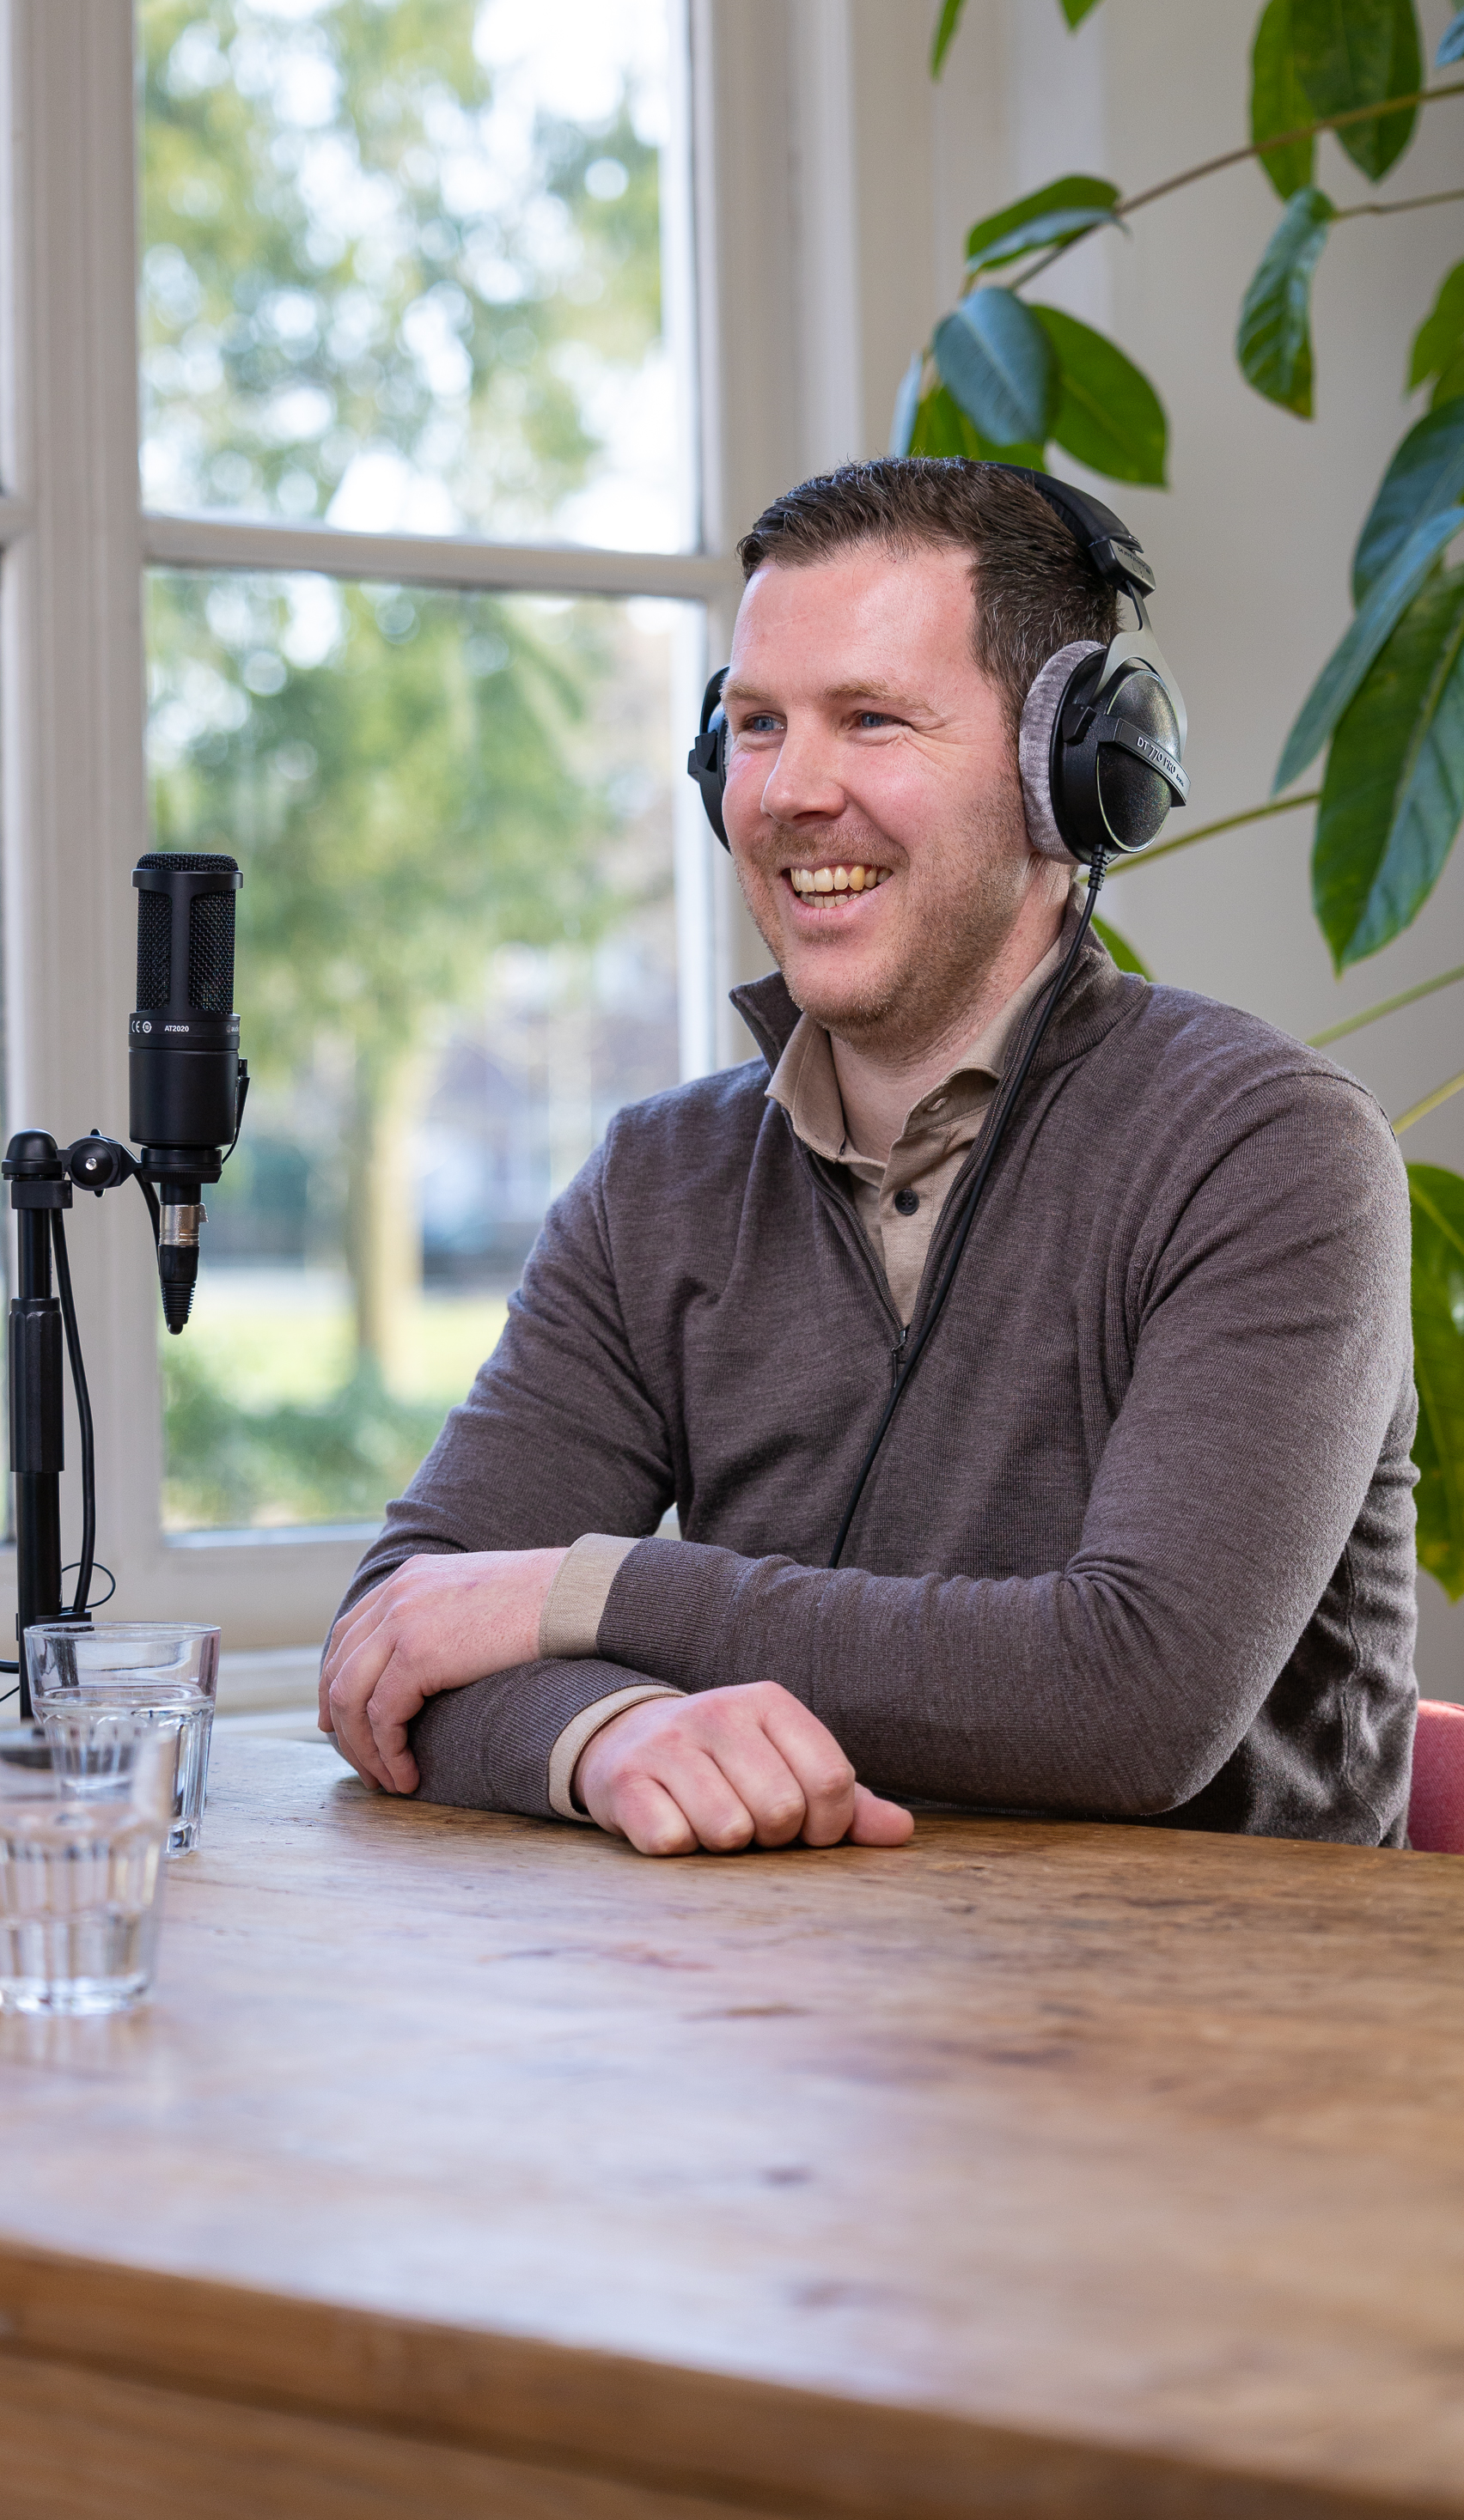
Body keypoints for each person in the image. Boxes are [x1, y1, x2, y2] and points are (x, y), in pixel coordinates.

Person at [319, 457, 1418, 1857]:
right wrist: (608, 1735)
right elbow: (397, 1640)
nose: (790, 791)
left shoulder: (1268, 1150)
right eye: (757, 725)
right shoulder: (658, 1181)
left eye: (874, 720)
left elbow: (1136, 1693)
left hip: (1217, 2052)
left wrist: (591, 1602)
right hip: (788, 2044)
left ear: (1070, 773)